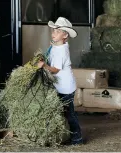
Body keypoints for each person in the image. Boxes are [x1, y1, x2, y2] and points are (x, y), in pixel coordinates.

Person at [37, 17, 83, 145]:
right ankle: (59, 135)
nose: (53, 34)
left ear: (65, 35)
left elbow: (55, 69)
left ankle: (77, 139)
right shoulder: (56, 47)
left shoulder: (62, 50)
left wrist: (44, 66)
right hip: (58, 85)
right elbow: (51, 56)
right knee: (58, 111)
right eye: (53, 31)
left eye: (57, 32)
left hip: (66, 88)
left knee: (69, 113)